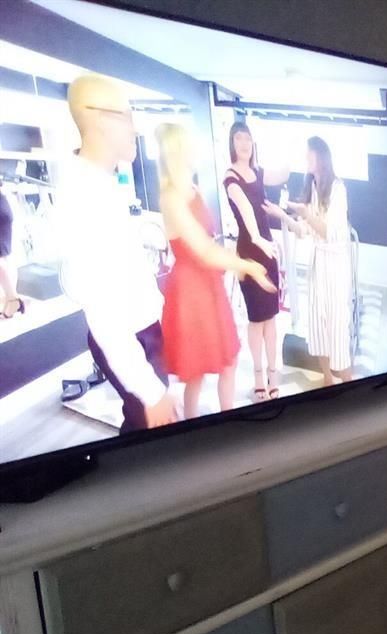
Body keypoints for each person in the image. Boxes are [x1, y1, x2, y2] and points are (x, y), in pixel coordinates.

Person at [58, 74, 175, 432]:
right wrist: (148, 388)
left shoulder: (100, 183)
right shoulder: (84, 194)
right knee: (148, 449)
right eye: (127, 115)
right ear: (98, 118)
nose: (135, 128)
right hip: (131, 340)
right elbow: (103, 311)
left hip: (141, 333)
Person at [155, 122, 275, 419]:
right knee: (195, 371)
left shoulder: (194, 188)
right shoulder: (170, 197)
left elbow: (209, 242)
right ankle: (194, 427)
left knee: (228, 360)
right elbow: (204, 251)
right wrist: (245, 265)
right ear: (179, 150)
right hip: (190, 289)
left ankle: (228, 419)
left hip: (210, 284)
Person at [264, 136, 354, 387]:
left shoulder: (337, 188)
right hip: (317, 264)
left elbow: (330, 232)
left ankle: (348, 381)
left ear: (321, 156)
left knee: (336, 326)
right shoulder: (312, 187)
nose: (306, 160)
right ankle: (327, 379)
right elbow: (303, 230)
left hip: (335, 266)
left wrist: (306, 214)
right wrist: (282, 214)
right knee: (318, 324)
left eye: (309, 155)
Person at [222, 122, 289, 401]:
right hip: (249, 250)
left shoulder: (259, 172)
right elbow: (246, 208)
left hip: (268, 249)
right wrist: (257, 239)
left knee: (271, 317)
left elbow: (285, 172)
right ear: (232, 143)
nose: (244, 143)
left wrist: (282, 137)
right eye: (239, 138)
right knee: (256, 318)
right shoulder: (230, 176)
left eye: (248, 138)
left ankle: (274, 373)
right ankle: (259, 376)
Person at [0, 178, 24, 319]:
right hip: (3, 206)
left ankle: (13, 299)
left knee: (2, 258)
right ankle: (11, 300)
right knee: (5, 258)